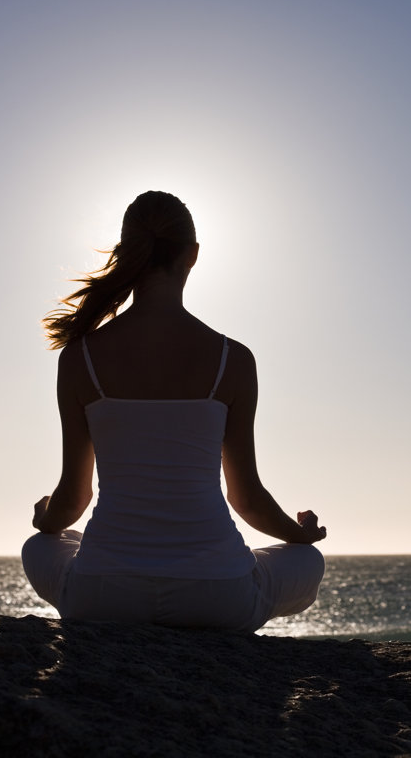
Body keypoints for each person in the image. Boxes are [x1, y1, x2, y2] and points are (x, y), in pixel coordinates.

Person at [22, 190, 326, 632]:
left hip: (103, 596)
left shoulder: (79, 358)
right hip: (217, 597)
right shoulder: (232, 359)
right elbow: (246, 498)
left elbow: (75, 497)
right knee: (307, 561)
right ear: (193, 255)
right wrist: (303, 536)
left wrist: (45, 518)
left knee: (40, 546)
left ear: (126, 253)